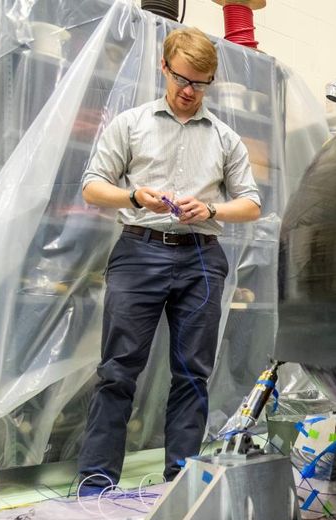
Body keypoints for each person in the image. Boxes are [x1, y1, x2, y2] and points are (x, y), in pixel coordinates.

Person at [76, 27, 261, 493]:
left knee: (193, 374)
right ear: (165, 67)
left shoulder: (225, 138)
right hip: (138, 251)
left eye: (200, 84)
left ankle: (181, 479)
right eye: (182, 79)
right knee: (118, 369)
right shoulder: (131, 123)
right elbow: (92, 186)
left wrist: (214, 209)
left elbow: (252, 204)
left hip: (201, 257)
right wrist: (134, 194)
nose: (188, 92)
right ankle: (96, 481)